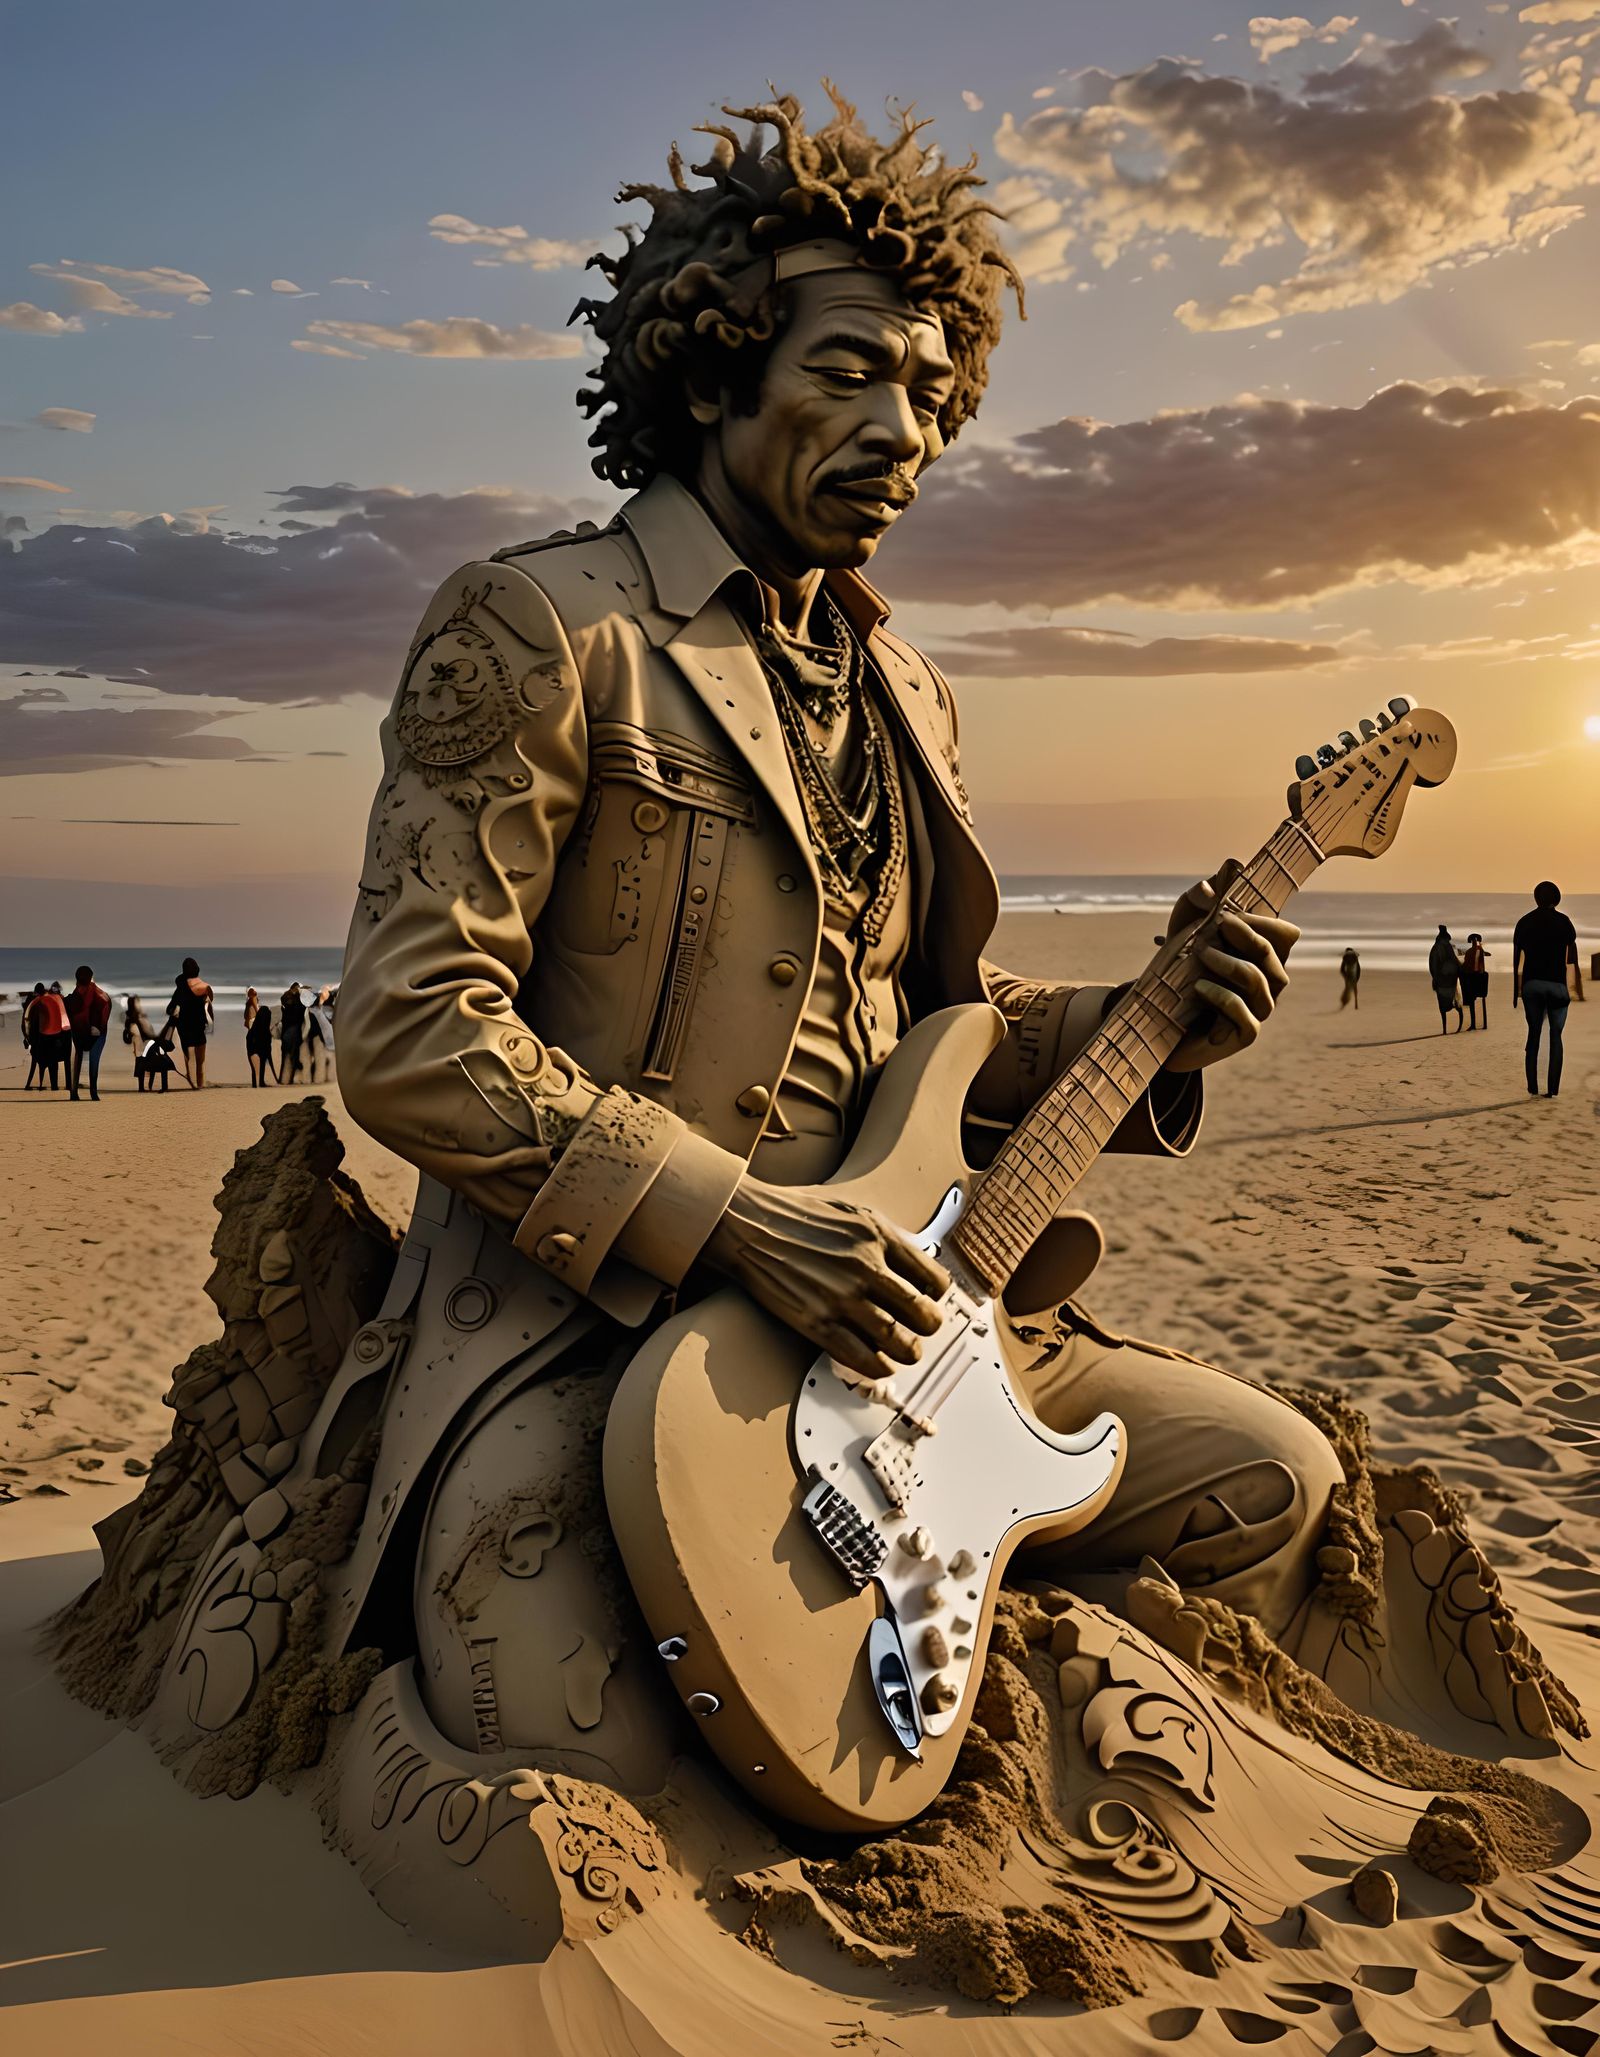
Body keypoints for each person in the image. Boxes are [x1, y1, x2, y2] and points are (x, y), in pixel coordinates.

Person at [329, 88, 1340, 1790]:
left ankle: (963, 1574)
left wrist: (1157, 1012)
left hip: (914, 1326)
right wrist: (734, 1223)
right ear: (714, 368)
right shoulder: (544, 628)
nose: (908, 431)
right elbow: (411, 1035)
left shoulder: (916, 697)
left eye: (933, 394)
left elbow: (929, 1028)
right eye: (853, 372)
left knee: (1273, 1480)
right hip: (595, 1330)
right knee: (554, 1712)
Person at [1514, 880, 1584, 1098]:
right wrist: (1573, 988)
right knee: (1556, 1035)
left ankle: (1533, 1087)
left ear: (1536, 898)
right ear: (1556, 899)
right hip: (1557, 985)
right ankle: (1553, 1088)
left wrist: (1515, 992)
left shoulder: (1524, 922)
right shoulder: (1564, 922)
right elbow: (1571, 958)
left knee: (1533, 1034)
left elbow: (1518, 960)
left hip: (1532, 985)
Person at [64, 964, 113, 1101]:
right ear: (91, 978)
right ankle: (93, 1092)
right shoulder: (101, 994)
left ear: (77, 979)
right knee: (94, 1060)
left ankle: (74, 1091)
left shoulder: (75, 994)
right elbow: (106, 1007)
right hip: (97, 1033)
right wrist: (98, 1027)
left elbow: (69, 1009)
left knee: (78, 1056)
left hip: (79, 1032)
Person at [168, 957, 215, 1088]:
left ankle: (192, 1080)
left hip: (183, 1024)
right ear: (197, 970)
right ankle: (200, 1083)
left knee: (189, 1054)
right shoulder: (205, 987)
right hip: (198, 1023)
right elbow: (210, 1000)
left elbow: (172, 1006)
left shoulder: (181, 986)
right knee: (201, 1059)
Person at [1428, 924, 1463, 1033]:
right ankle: (1457, 1024)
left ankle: (1445, 1029)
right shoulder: (1448, 946)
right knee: (1456, 1003)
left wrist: (1436, 978)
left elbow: (1432, 966)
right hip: (1450, 980)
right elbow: (1456, 962)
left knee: (1443, 1006)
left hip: (1441, 982)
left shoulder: (1436, 948)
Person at [136, 1021, 178, 1092]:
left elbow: (144, 1055)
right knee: (164, 1065)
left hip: (149, 1063)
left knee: (141, 1062)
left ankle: (142, 1087)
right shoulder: (158, 1042)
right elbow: (165, 1051)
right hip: (154, 1063)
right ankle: (164, 1087)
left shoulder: (150, 1042)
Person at [1460, 933, 1490, 1031]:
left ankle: (1475, 1023)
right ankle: (1477, 1023)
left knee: (1472, 1000)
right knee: (1475, 1001)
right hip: (1478, 976)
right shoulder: (1477, 950)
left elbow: (1467, 965)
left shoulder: (1473, 951)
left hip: (1473, 977)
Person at [21, 982, 48, 1090]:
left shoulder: (30, 1002)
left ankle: (31, 1084)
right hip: (39, 1038)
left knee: (35, 1062)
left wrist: (26, 1038)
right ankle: (38, 1084)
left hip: (32, 1037)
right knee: (40, 1062)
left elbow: (25, 1023)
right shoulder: (40, 1002)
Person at [307, 985, 336, 1082]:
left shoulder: (314, 1012)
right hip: (327, 1040)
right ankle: (325, 1077)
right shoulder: (321, 1011)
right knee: (327, 1060)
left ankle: (318, 1077)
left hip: (319, 1037)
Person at [279, 982, 307, 1084]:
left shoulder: (284, 999)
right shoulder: (297, 1001)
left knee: (284, 1056)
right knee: (294, 1056)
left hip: (286, 1030)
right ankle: (290, 1079)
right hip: (294, 1029)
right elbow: (302, 1011)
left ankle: (281, 1079)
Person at [246, 1000, 277, 1086]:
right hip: (262, 1045)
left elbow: (248, 1042)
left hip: (251, 1046)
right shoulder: (266, 1031)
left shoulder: (252, 1030)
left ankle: (255, 1083)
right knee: (262, 1062)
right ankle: (261, 1082)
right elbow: (267, 1050)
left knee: (253, 1068)